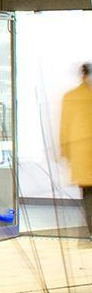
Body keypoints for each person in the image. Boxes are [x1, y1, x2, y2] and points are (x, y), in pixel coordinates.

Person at [62, 63, 92, 231]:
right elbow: (65, 127)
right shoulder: (71, 97)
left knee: (88, 195)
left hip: (82, 156)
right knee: (88, 195)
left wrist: (66, 151)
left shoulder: (71, 96)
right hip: (84, 156)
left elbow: (65, 127)